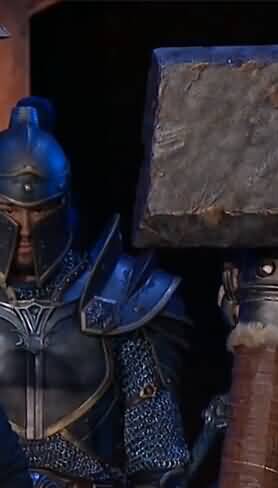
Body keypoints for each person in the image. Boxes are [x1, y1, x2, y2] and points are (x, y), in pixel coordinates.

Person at [0, 99, 191, 487]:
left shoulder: (117, 298)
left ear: (64, 203)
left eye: (40, 210)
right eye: (9, 209)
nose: (25, 228)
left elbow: (155, 457)